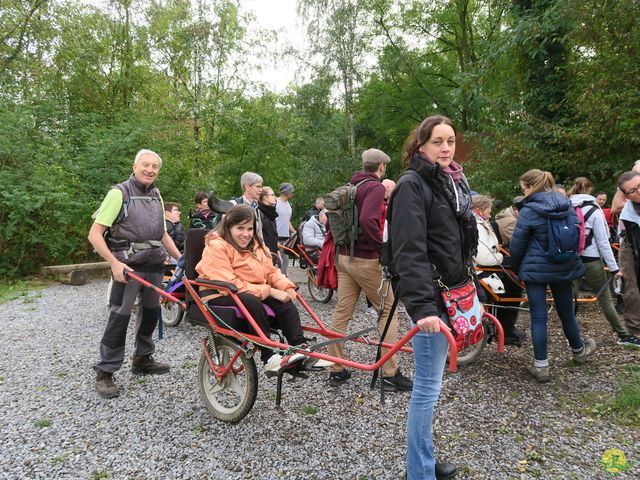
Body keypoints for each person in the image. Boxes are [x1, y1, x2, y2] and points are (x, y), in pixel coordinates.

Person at [387, 115, 472, 480]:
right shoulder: (412, 184)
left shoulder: (448, 182)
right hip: (430, 302)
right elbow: (409, 251)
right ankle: (419, 472)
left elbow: (451, 243)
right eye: (437, 141)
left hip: (450, 294)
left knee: (430, 387)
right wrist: (422, 307)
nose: (446, 148)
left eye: (450, 141)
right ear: (420, 145)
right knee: (426, 389)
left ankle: (423, 459)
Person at [88, 149, 182, 398]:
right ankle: (105, 371)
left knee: (151, 314)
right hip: (127, 267)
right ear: (135, 165)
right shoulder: (119, 193)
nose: (150, 170)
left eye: (155, 166)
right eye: (146, 165)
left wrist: (180, 259)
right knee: (119, 317)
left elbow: (162, 234)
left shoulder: (156, 195)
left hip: (153, 266)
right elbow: (94, 234)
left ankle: (142, 358)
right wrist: (114, 264)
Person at [327, 148, 413, 392]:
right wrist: (383, 248)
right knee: (388, 310)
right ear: (382, 167)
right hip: (365, 260)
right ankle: (390, 373)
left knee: (343, 310)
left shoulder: (351, 185)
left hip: (343, 257)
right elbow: (367, 220)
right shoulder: (374, 188)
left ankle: (336, 369)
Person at [195, 204, 309, 373]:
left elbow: (271, 271)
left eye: (249, 229)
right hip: (219, 292)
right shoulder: (216, 246)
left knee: (284, 302)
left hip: (249, 289)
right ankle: (268, 357)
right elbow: (230, 283)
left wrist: (286, 287)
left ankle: (299, 348)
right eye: (240, 228)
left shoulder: (255, 244)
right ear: (229, 226)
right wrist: (269, 291)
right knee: (251, 300)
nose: (246, 234)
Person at [509, 169, 596, 383]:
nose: (523, 191)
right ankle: (578, 351)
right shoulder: (567, 205)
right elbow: (577, 234)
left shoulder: (529, 210)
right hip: (563, 266)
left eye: (523, 188)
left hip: (535, 269)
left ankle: (541, 367)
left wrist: (517, 268)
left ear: (530, 186)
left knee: (539, 317)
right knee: (566, 312)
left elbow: (517, 246)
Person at [569, 177, 639, 347]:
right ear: (590, 190)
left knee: (569, 299)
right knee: (605, 299)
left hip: (570, 260)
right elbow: (603, 243)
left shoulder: (566, 207)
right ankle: (623, 335)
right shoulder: (595, 210)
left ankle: (571, 337)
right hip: (591, 260)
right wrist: (615, 269)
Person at [471, 195, 525, 345]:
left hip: (484, 267)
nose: (490, 214)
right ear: (480, 209)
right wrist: (500, 257)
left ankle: (504, 328)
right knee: (513, 286)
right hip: (480, 270)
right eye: (488, 211)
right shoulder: (477, 226)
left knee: (513, 280)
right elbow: (484, 257)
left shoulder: (480, 223)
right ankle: (507, 331)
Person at [615, 170, 640, 337]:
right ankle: (634, 326)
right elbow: (616, 205)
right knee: (630, 284)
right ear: (627, 197)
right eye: (633, 191)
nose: (639, 191)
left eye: (639, 186)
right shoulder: (628, 212)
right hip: (631, 245)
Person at [276, 182, 296, 274]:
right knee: (273, 261)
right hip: (275, 237)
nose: (293, 194)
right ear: (287, 192)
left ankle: (284, 281)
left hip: (286, 239)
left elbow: (287, 221)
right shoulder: (275, 202)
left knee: (284, 263)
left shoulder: (289, 205)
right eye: (292, 192)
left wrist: (294, 232)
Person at [257, 186, 280, 266]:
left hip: (272, 253)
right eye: (272, 195)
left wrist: (277, 251)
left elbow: (274, 234)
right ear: (264, 197)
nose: (275, 197)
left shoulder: (272, 213)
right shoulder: (258, 212)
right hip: (263, 254)